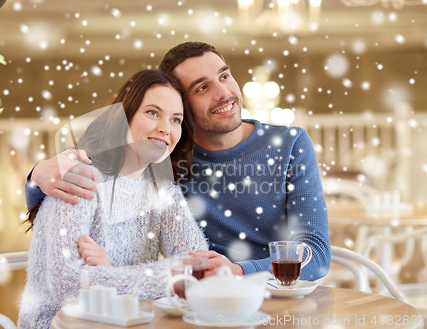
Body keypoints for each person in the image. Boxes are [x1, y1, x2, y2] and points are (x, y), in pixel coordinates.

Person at [25, 41, 331, 281]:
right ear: (180, 105)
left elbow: (315, 255)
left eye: (224, 76)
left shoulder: (290, 144)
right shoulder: (164, 159)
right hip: (196, 301)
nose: (225, 93)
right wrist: (36, 177)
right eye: (203, 87)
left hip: (276, 294)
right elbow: (91, 189)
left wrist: (241, 271)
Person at [18, 70, 208, 328]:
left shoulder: (163, 190)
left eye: (176, 120)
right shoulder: (80, 176)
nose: (166, 128)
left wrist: (109, 275)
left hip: (126, 319)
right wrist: (167, 276)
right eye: (153, 112)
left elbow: (198, 263)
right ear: (124, 117)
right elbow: (68, 286)